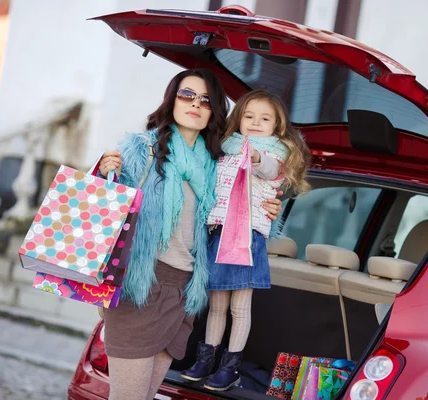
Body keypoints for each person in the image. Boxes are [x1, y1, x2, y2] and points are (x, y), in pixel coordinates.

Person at [97, 71, 283, 400]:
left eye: (206, 100)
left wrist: (267, 207)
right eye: (187, 95)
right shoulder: (141, 149)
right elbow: (105, 208)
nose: (196, 104)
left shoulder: (216, 162)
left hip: (183, 292)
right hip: (140, 286)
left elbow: (241, 201)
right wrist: (101, 172)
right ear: (172, 100)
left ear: (214, 112)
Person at [181, 90, 310, 391]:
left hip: (246, 237)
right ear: (238, 119)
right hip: (218, 233)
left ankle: (231, 365)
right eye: (249, 116)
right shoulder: (226, 148)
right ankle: (206, 358)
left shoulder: (277, 152)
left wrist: (254, 155)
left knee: (239, 307)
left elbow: (269, 169)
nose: (255, 122)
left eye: (265, 118)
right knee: (216, 306)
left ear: (277, 127)